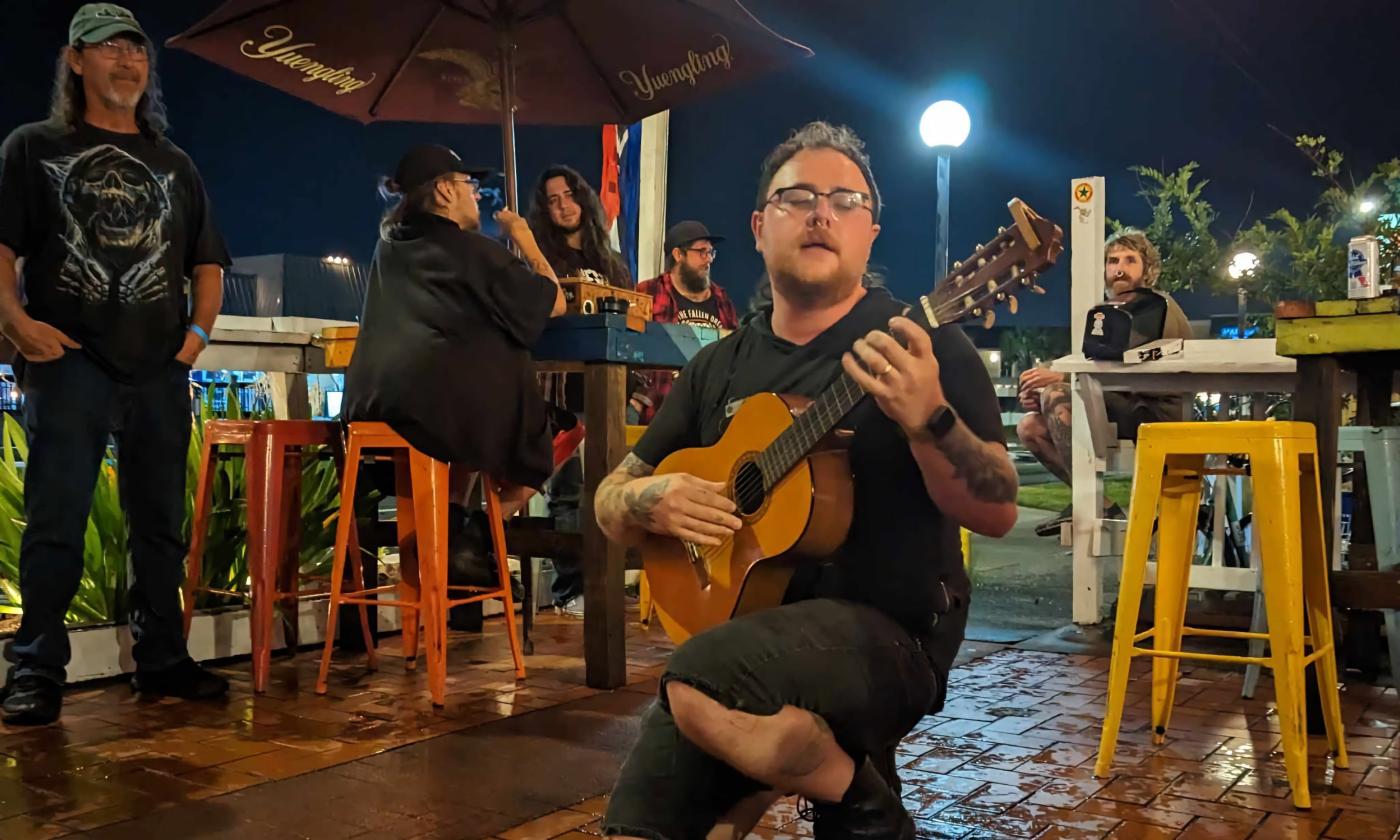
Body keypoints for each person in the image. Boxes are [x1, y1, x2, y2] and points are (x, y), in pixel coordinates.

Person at [594, 121, 1019, 839]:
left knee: (697, 685)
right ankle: (848, 792)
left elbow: (1000, 509)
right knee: (638, 827)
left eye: (845, 200)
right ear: (760, 228)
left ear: (871, 234)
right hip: (742, 635)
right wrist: (652, 500)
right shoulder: (716, 367)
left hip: (892, 633)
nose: (822, 213)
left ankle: (854, 796)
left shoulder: (921, 343)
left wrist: (931, 421)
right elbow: (609, 503)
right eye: (798, 198)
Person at [0, 3, 232, 725]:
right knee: (55, 521)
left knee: (160, 524)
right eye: (107, 49)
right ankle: (35, 670)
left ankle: (162, 658)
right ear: (75, 60)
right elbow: (3, 252)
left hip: (160, 368)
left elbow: (207, 263)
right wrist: (17, 324)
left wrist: (193, 342)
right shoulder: (34, 147)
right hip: (69, 364)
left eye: (136, 49)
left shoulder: (175, 162)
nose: (126, 61)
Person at [341, 144, 565, 587]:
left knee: (466, 431)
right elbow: (552, 302)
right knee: (564, 427)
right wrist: (524, 238)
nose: (478, 196)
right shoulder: (471, 250)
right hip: (434, 418)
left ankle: (454, 528)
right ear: (443, 191)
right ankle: (475, 532)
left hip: (371, 412)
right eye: (470, 185)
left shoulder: (389, 245)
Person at [1016, 228, 1194, 536]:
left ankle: (1089, 501)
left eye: (1130, 260)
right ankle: (1098, 503)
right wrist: (1041, 390)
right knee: (1030, 427)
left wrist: (1059, 381)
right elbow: (1097, 361)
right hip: (1123, 405)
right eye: (1112, 261)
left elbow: (1133, 370)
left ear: (1147, 268)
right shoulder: (1114, 310)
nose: (1120, 269)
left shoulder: (1154, 307)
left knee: (1057, 393)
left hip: (1155, 411)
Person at [631, 220, 739, 424]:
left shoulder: (722, 299)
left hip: (710, 417)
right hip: (662, 415)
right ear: (678, 255)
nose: (708, 260)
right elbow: (629, 351)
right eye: (701, 252)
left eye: (711, 253)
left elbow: (737, 356)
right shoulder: (648, 293)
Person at [526, 164, 631, 286]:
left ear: (582, 198)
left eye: (569, 195)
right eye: (553, 200)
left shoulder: (614, 264)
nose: (563, 205)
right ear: (545, 210)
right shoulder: (542, 262)